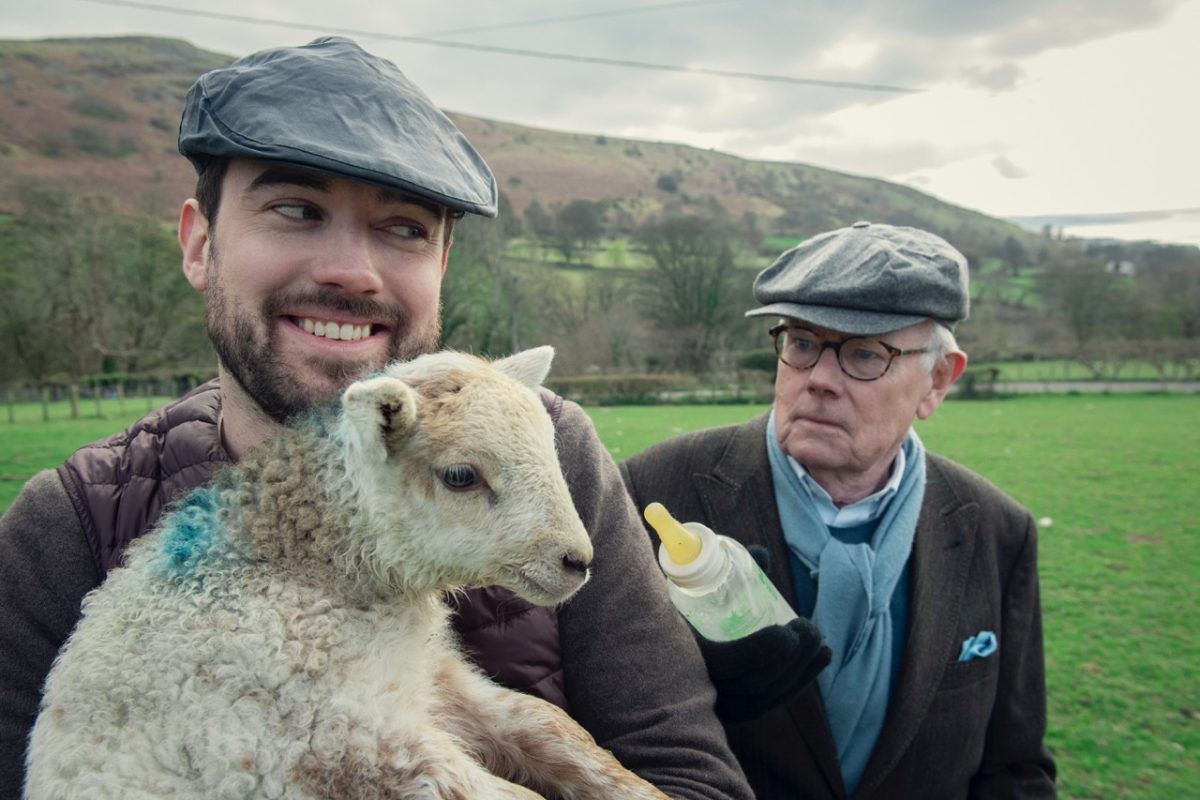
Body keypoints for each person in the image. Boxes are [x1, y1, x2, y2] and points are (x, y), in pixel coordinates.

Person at [0, 37, 753, 800]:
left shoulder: (555, 450)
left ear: (442, 268)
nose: (351, 271)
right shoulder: (70, 523)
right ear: (199, 245)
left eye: (404, 228)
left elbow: (691, 777)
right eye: (296, 209)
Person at [621, 221, 1058, 799]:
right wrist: (698, 685)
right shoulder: (653, 492)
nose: (820, 379)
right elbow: (595, 734)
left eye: (864, 354)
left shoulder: (997, 531)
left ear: (937, 381)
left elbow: (1015, 769)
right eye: (802, 343)